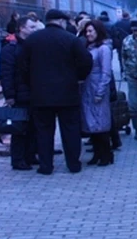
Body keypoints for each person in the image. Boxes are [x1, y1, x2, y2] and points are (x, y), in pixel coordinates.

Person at [19, 9, 93, 175]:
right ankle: (73, 164)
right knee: (71, 130)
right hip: (68, 93)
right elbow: (86, 61)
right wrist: (79, 77)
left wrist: (31, 83)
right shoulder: (71, 39)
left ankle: (46, 166)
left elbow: (22, 65)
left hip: (40, 94)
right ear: (61, 22)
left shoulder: (32, 40)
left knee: (44, 131)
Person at [0, 16, 38, 170]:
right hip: (19, 95)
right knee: (19, 128)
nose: (35, 30)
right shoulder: (10, 49)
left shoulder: (32, 46)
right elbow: (6, 73)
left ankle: (30, 155)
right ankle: (18, 159)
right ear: (21, 28)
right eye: (32, 27)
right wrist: (9, 95)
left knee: (32, 127)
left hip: (32, 94)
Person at [80, 20, 114, 166]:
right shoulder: (89, 47)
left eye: (91, 31)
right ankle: (97, 153)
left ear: (98, 31)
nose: (88, 34)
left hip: (98, 87)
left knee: (101, 121)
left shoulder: (104, 49)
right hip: (87, 88)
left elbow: (106, 72)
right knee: (91, 122)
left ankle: (106, 154)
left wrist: (100, 91)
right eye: (86, 31)